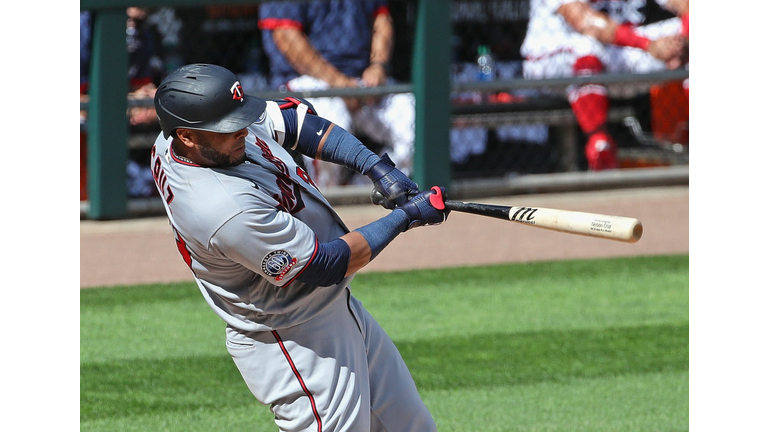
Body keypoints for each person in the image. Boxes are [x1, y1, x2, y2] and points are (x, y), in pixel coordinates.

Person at [150, 63, 448, 431]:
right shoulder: (223, 209)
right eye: (229, 128)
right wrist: (405, 217)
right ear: (187, 136)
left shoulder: (185, 137)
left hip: (331, 311)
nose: (243, 130)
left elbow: (293, 122)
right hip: (294, 339)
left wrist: (374, 166)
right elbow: (327, 263)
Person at [257, 0, 416, 187]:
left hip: (362, 80)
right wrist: (339, 83)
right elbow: (286, 36)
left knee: (415, 120)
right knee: (332, 127)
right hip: (307, 80)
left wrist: (378, 66)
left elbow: (381, 18)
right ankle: (328, 197)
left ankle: (368, 189)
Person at [521, 0, 688, 170]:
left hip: (616, 52)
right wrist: (649, 45)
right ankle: (600, 143)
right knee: (585, 44)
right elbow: (584, 21)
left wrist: (680, 44)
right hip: (552, 58)